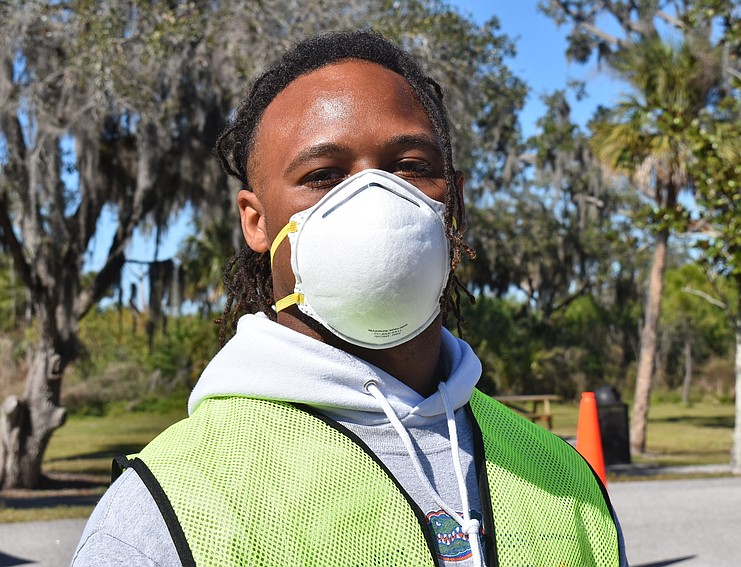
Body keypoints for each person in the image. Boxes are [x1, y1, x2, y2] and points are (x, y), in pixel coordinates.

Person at [71, 30, 627, 567]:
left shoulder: (564, 479)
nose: (376, 198)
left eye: (411, 166)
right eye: (323, 175)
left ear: (452, 202)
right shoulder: (167, 506)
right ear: (257, 221)